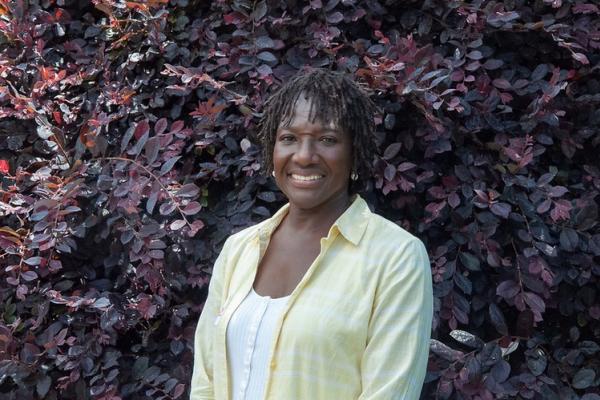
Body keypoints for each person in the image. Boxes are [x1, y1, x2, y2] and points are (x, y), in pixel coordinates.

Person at [190, 69, 433, 400]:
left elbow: (390, 392)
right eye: (289, 138)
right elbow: (206, 381)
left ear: (355, 153)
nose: (304, 156)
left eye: (327, 140)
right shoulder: (238, 250)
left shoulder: (396, 257)